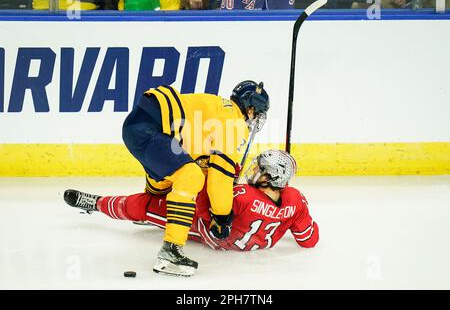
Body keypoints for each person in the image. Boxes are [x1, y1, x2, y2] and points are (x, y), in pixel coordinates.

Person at [78, 81, 268, 276]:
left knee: (170, 177)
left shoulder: (217, 105)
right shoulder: (235, 123)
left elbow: (192, 147)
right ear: (250, 108)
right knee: (191, 177)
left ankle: (151, 199)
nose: (255, 119)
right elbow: (220, 178)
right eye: (258, 112)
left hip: (141, 126)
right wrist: (221, 216)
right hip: (151, 130)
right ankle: (170, 252)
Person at [64, 150, 319, 269]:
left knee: (145, 205)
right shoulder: (296, 200)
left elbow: (200, 208)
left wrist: (206, 172)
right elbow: (309, 240)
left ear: (269, 178)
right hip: (249, 241)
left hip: (208, 234)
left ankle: (97, 203)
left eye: (259, 170)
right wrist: (282, 220)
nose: (253, 171)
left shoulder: (241, 196)